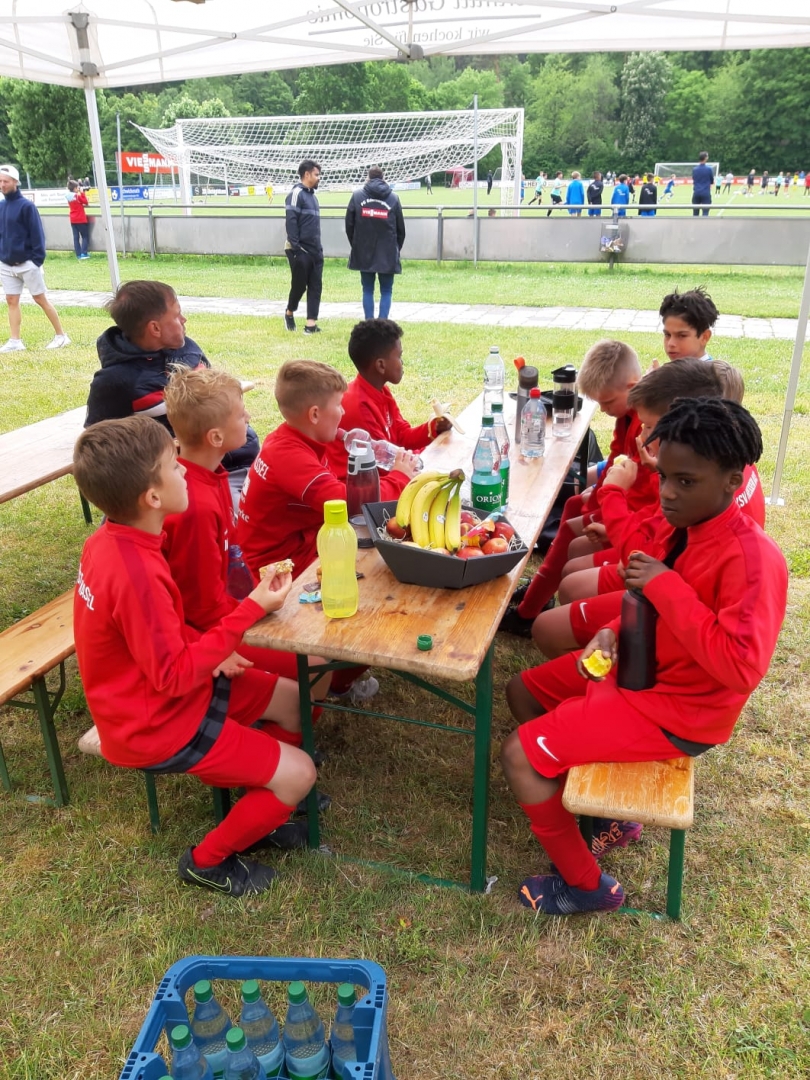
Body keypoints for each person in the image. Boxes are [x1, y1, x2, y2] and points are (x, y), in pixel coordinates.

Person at [500, 397, 787, 915]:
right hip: (639, 670)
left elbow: (741, 668)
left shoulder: (754, 561)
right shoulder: (685, 525)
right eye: (665, 477)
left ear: (733, 481)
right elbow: (644, 603)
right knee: (523, 691)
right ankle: (601, 813)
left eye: (685, 481)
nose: (667, 492)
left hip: (680, 711)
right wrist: (610, 632)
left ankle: (588, 887)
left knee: (518, 755)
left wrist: (665, 585)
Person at [73, 415, 318, 896]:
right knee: (300, 775)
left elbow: (158, 629)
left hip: (159, 692)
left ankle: (261, 802)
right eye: (174, 466)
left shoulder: (112, 541)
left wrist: (213, 650)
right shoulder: (135, 571)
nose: (185, 469)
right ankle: (206, 862)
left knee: (294, 701)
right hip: (154, 723)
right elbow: (173, 676)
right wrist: (249, 610)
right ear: (153, 497)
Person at [535, 360, 765, 659]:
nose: (642, 437)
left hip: (674, 602)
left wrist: (614, 494)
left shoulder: (700, 489)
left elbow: (646, 550)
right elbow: (657, 529)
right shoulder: (718, 466)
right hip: (668, 578)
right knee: (573, 567)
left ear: (682, 423)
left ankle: (606, 664)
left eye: (650, 427)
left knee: (556, 611)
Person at [499, 340, 654, 637]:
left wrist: (597, 508)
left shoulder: (645, 424)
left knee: (573, 523)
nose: (604, 410)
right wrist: (593, 501)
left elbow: (640, 490)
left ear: (632, 387)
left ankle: (529, 611)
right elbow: (615, 462)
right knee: (573, 505)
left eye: (608, 402)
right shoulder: (629, 415)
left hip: (635, 514)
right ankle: (537, 594)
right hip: (626, 501)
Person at [85, 279, 259, 506]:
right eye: (177, 315)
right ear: (155, 328)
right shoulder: (115, 382)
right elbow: (101, 444)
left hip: (240, 458)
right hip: (186, 479)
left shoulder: (188, 348)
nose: (184, 320)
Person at [236, 359, 417, 577]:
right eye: (339, 405)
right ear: (314, 414)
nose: (343, 412)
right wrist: (400, 478)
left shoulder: (294, 439)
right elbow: (350, 506)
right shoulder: (289, 456)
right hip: (279, 571)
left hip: (300, 548)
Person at [326, 319, 451, 482]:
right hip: (363, 487)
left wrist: (434, 427)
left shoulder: (380, 390)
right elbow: (386, 462)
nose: (402, 362)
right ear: (381, 365)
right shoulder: (360, 406)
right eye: (399, 356)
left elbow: (402, 435)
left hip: (384, 473)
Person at [0, 164, 70, 353]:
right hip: (6, 264)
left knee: (40, 298)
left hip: (27, 263)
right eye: (0, 181)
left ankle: (61, 336)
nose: (2, 185)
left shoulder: (27, 207)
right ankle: (15, 341)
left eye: (6, 181)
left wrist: (36, 261)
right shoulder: (2, 206)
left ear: (15, 182)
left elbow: (37, 235)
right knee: (11, 300)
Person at [345, 166, 406, 321]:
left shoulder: (357, 196)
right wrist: (395, 248)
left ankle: (369, 323)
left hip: (364, 250)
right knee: (386, 290)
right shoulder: (393, 198)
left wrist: (357, 245)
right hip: (387, 252)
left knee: (367, 289)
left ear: (368, 178)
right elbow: (401, 229)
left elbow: (349, 225)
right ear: (383, 177)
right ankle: (382, 324)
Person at [284, 159, 323, 335]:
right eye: (316, 174)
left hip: (316, 250)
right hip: (300, 250)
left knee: (316, 285)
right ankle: (289, 312)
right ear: (307, 174)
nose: (319, 178)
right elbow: (291, 222)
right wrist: (297, 248)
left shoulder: (313, 197)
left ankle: (310, 325)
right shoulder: (296, 194)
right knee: (299, 286)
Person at [658, 286, 718, 363]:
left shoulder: (709, 370)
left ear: (704, 337)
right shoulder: (676, 368)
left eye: (682, 335)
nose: (670, 343)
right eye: (667, 335)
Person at [66, 179, 90, 259]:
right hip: (80, 219)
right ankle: (84, 253)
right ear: (75, 188)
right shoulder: (77, 196)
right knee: (85, 236)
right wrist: (82, 193)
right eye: (77, 187)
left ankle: (78, 254)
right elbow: (85, 202)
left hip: (73, 219)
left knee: (76, 237)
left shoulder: (69, 196)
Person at [691, 151, 714, 216]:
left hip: (696, 192)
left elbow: (694, 179)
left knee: (695, 213)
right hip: (705, 193)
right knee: (705, 212)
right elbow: (712, 181)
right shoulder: (709, 169)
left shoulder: (695, 169)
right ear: (705, 158)